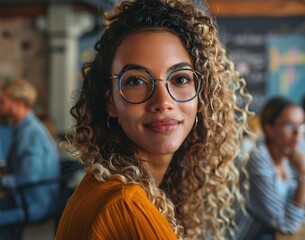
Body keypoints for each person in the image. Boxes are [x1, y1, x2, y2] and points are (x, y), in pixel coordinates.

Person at [55, 0, 251, 239]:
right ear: (110, 102)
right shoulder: (126, 205)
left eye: (179, 79)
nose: (162, 101)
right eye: (136, 81)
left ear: (203, 95)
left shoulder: (108, 184)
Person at [236, 97, 305, 239]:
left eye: (301, 125)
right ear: (269, 129)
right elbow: (286, 225)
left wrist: (303, 175)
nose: (298, 133)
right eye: (289, 125)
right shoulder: (258, 159)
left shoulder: (289, 156)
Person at [0, 79, 60, 235]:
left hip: (33, 204)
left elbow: (28, 177)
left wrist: (2, 180)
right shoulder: (24, 129)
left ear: (18, 104)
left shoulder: (31, 133)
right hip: (25, 198)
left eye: (2, 101)